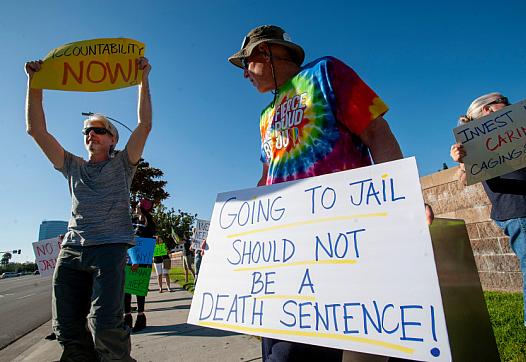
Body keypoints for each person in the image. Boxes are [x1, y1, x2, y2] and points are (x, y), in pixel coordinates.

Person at [228, 24, 424, 362]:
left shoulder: (326, 72)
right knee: (274, 341)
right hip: (281, 244)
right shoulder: (264, 116)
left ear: (265, 54)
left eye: (246, 63)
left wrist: (404, 198)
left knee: (296, 352)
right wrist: (237, 229)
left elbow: (376, 131)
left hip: (335, 235)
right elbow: (267, 176)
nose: (245, 74)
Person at [25, 57, 152, 361]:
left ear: (112, 139)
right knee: (66, 327)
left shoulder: (123, 164)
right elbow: (36, 130)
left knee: (105, 325)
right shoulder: (72, 166)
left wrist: (143, 78)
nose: (90, 135)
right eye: (86, 131)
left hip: (109, 249)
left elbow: (144, 125)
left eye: (98, 130)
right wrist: (34, 83)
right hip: (71, 252)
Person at [450, 92, 526, 326]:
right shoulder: (472, 144)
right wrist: (462, 161)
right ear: (489, 110)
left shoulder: (517, 133)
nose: (510, 106)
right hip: (517, 209)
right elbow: (461, 180)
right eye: (505, 103)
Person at [124, 199, 156, 332]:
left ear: (142, 208)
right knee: (126, 291)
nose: (135, 208)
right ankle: (127, 317)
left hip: (142, 262)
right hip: (129, 260)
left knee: (138, 290)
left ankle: (141, 317)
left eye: (137, 206)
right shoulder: (132, 221)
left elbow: (147, 243)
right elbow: (127, 239)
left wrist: (138, 260)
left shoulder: (150, 224)